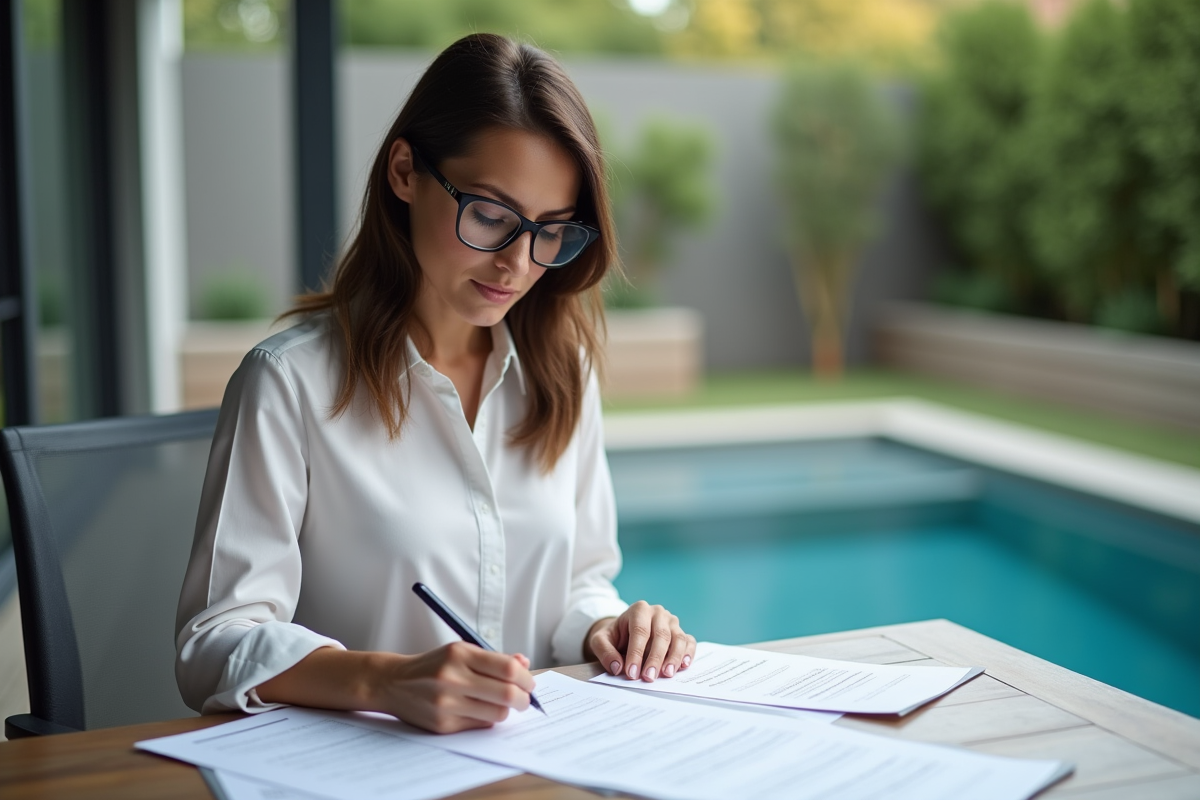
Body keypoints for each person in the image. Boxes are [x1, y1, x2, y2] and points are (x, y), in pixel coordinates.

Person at [175, 33, 696, 734]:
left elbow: (580, 581)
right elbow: (214, 643)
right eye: (489, 215)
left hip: (532, 764)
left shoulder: (562, 374)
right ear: (403, 172)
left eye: (551, 231)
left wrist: (609, 627)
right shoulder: (289, 385)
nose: (517, 262)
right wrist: (385, 680)